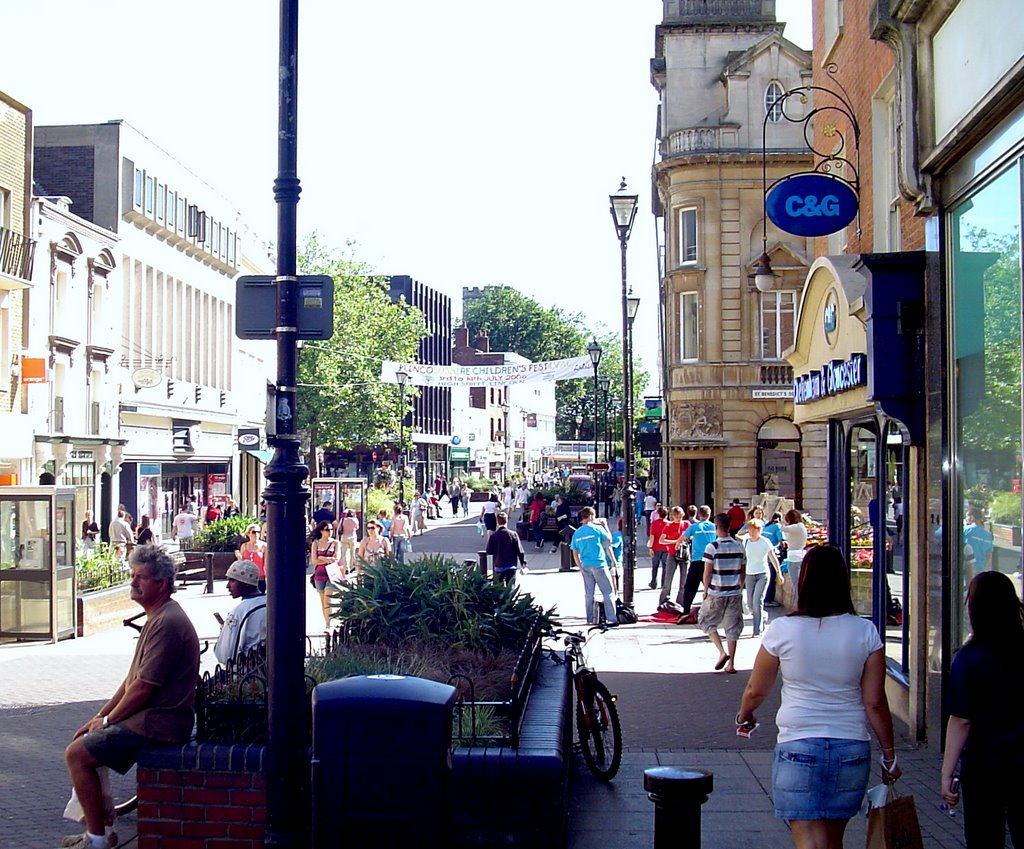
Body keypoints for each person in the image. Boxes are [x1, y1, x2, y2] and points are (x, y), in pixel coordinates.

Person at [737, 545, 901, 849]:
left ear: (804, 582)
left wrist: (744, 716)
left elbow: (756, 690)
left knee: (809, 839)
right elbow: (875, 702)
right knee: (832, 840)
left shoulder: (783, 630)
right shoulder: (865, 631)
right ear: (843, 582)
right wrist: (889, 756)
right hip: (851, 747)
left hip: (798, 745)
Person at [62, 545, 199, 849]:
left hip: (160, 723)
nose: (134, 583)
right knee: (84, 742)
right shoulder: (158, 616)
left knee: (77, 754)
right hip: (150, 718)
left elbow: (144, 688)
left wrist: (109, 720)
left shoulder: (166, 623)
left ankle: (97, 841)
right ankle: (99, 831)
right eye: (132, 575)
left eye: (142, 578)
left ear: (162, 583)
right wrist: (97, 718)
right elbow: (130, 682)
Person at [941, 570, 1024, 846]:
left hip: (984, 767)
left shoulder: (969, 659)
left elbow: (961, 721)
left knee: (984, 837)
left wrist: (947, 772)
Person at [698, 513, 746, 673]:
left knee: (706, 621)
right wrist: (740, 585)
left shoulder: (712, 547)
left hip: (716, 592)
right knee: (732, 628)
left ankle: (721, 651)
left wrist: (705, 590)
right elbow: (742, 570)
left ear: (716, 528)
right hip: (734, 591)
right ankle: (731, 663)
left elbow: (707, 572)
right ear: (730, 527)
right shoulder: (739, 546)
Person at [569, 506, 618, 626]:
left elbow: (575, 552)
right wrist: (605, 525)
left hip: (585, 565)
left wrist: (579, 566)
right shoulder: (597, 529)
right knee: (608, 592)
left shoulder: (577, 532)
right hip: (599, 563)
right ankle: (611, 618)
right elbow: (609, 541)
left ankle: (590, 619)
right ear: (591, 516)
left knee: (589, 593)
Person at [213, 560, 267, 665]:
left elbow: (225, 655)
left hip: (244, 672)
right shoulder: (270, 603)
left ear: (246, 583)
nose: (228, 586)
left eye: (232, 581)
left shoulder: (239, 612)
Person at [741, 519, 783, 637]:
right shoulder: (745, 542)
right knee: (750, 604)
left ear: (759, 530)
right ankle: (763, 616)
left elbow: (773, 558)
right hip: (750, 574)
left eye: (754, 530)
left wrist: (778, 573)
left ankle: (757, 630)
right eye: (749, 529)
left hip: (762, 574)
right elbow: (743, 559)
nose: (751, 532)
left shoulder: (765, 542)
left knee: (757, 601)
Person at [680, 506, 717, 619]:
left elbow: (682, 538)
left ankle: (686, 611)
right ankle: (714, 610)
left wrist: (678, 543)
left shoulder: (694, 527)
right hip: (711, 561)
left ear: (699, 515)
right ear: (709, 514)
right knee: (712, 587)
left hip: (697, 560)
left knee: (690, 587)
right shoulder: (713, 526)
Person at [657, 506, 689, 610]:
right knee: (668, 581)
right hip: (672, 554)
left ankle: (681, 603)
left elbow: (691, 536)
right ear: (673, 516)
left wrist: (684, 541)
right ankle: (663, 602)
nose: (679, 519)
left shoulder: (687, 524)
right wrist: (676, 541)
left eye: (681, 517)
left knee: (684, 582)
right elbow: (661, 540)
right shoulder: (669, 525)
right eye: (677, 517)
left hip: (684, 554)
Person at [309, 521, 338, 630]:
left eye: (331, 530)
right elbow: (314, 561)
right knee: (322, 601)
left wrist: (322, 558)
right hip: (319, 575)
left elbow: (336, 559)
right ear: (321, 531)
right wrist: (326, 560)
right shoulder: (316, 543)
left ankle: (329, 624)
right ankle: (327, 622)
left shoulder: (335, 543)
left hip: (331, 574)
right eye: (327, 530)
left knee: (328, 599)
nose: (329, 532)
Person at [486, 511, 527, 585]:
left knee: (498, 587)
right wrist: (523, 562)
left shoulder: (494, 536)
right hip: (511, 564)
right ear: (507, 521)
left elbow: (489, 551)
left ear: (497, 522)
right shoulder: (513, 534)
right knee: (510, 587)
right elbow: (519, 550)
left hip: (499, 564)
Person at [781, 509, 809, 595]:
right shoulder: (801, 527)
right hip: (801, 554)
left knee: (796, 584)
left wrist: (780, 521)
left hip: (794, 556)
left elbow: (782, 528)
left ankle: (797, 603)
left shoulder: (797, 527)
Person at [235, 523, 267, 593]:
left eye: (258, 532)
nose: (256, 534)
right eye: (254, 532)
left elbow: (266, 564)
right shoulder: (244, 546)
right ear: (248, 533)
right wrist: (238, 557)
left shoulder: (264, 546)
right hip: (247, 578)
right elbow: (241, 562)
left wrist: (268, 579)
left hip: (260, 578)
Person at [962, 505, 993, 574]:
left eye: (966, 517)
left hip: (966, 566)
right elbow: (989, 555)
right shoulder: (988, 535)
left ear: (972, 517)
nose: (966, 519)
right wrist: (984, 569)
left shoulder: (966, 530)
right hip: (980, 568)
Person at [647, 506, 669, 590]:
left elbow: (652, 536)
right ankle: (663, 584)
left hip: (656, 547)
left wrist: (650, 547)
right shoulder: (669, 524)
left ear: (658, 514)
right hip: (666, 548)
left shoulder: (654, 523)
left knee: (655, 566)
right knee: (665, 567)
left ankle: (653, 583)